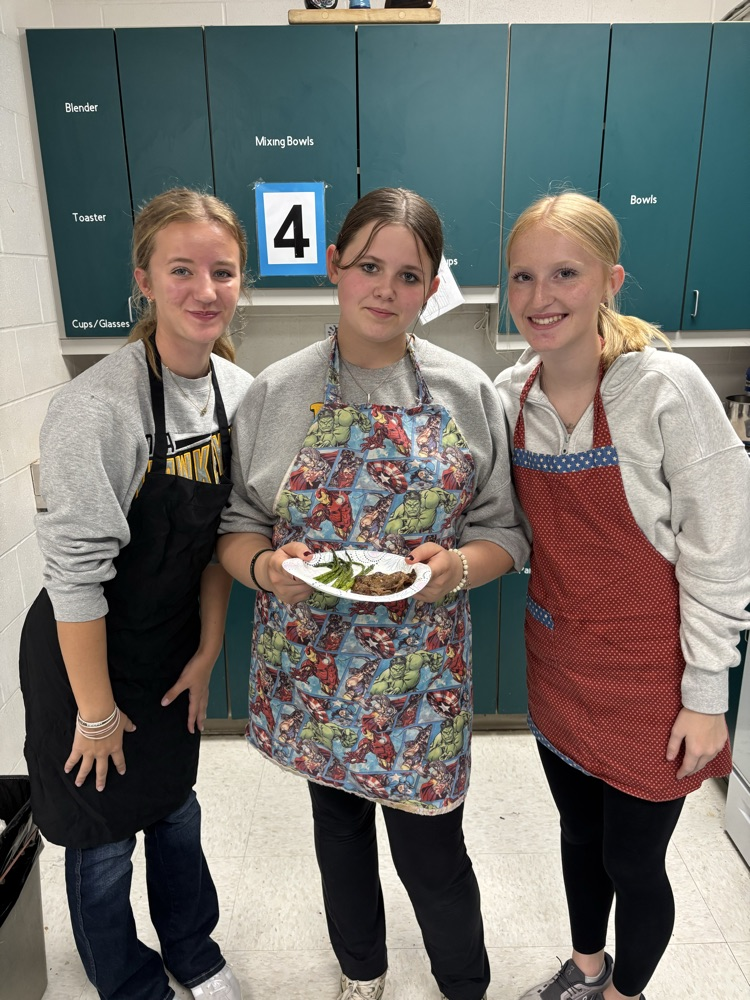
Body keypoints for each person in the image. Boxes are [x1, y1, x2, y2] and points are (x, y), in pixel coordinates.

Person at [217, 187, 528, 1000]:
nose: (386, 290)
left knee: (433, 852)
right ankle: (362, 971)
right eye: (368, 267)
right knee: (339, 831)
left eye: (409, 275)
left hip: (420, 678)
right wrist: (265, 570)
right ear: (335, 266)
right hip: (313, 670)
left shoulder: (466, 393)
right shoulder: (275, 392)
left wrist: (455, 569)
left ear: (431, 285)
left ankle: (465, 985)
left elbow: (504, 532)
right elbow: (239, 524)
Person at [494, 191, 750, 1000]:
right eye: (523, 276)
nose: (541, 297)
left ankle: (621, 994)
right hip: (559, 664)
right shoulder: (510, 396)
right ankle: (585, 966)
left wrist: (707, 694)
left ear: (611, 280)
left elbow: (721, 554)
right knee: (578, 833)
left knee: (633, 861)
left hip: (654, 680)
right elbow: (501, 523)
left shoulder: (666, 389)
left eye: (565, 273)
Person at [19, 188, 253, 1000]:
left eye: (222, 271)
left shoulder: (238, 394)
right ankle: (127, 982)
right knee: (103, 836)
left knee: (175, 810)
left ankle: (193, 950)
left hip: (168, 647)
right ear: (144, 281)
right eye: (181, 269)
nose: (204, 290)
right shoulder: (98, 407)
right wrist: (94, 711)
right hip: (84, 653)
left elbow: (220, 541)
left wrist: (208, 650)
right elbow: (74, 576)